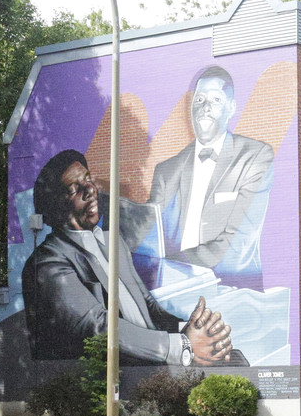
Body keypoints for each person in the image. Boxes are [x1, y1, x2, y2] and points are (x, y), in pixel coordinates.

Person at [22, 149, 245, 366]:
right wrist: (183, 346)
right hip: (115, 371)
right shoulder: (47, 263)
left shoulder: (113, 242)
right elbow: (98, 327)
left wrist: (192, 330)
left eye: (88, 178)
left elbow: (148, 306)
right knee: (233, 369)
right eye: (73, 188)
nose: (89, 189)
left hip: (153, 358)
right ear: (56, 207)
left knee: (234, 359)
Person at [147, 66, 274, 288]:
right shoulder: (166, 170)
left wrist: (174, 265)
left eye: (215, 100)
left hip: (232, 293)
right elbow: (148, 236)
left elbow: (238, 244)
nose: (205, 108)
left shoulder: (255, 157)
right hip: (170, 296)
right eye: (199, 100)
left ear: (231, 107)